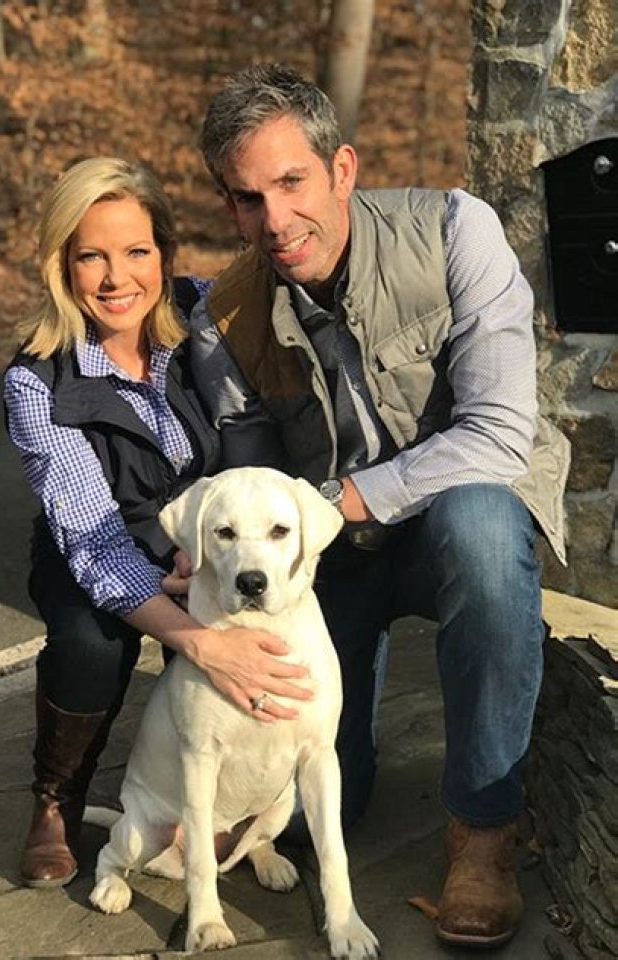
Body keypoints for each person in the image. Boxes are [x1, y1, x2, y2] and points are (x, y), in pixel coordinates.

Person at [190, 65, 570, 948]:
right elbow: (250, 490)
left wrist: (348, 496)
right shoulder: (224, 320)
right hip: (338, 561)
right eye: (249, 198)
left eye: (292, 182)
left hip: (453, 527)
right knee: (309, 814)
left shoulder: (455, 232)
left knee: (481, 528)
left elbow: (500, 432)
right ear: (230, 206)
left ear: (343, 169)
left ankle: (482, 831)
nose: (276, 220)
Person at [4, 156, 313, 890]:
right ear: (62, 265)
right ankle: (56, 797)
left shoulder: (206, 313)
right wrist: (199, 641)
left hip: (211, 541)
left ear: (165, 253)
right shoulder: (36, 381)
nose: (118, 279)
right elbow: (97, 543)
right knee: (91, 639)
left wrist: (209, 554)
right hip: (97, 548)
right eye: (92, 256)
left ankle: (251, 798)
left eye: (137, 251)